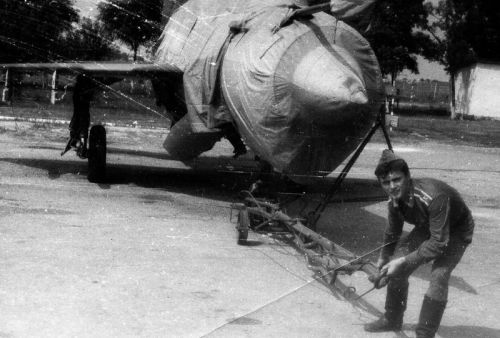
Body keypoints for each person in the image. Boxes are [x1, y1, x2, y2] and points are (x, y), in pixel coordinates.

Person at [365, 149, 474, 338]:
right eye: (386, 182)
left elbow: (438, 244)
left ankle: (424, 334)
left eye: (396, 180)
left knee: (439, 276)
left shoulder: (434, 196)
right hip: (428, 226)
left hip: (457, 230)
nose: (392, 186)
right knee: (398, 265)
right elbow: (393, 231)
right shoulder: (394, 200)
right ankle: (392, 318)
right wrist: (384, 257)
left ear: (408, 177)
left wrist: (402, 261)